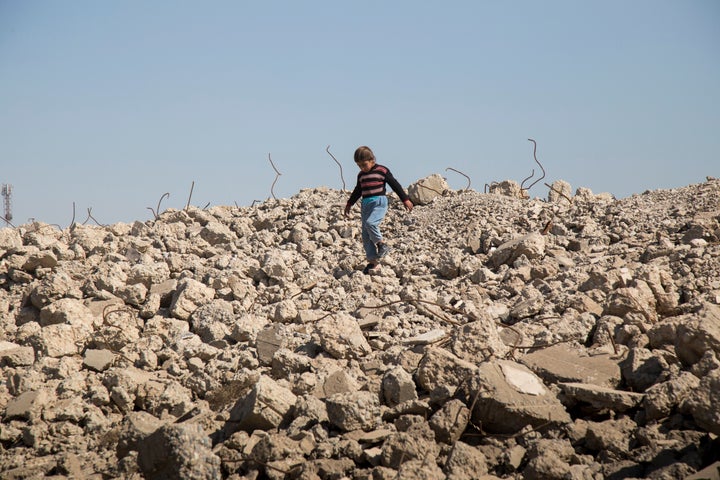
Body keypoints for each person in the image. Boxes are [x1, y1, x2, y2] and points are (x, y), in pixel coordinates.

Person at [344, 146, 413, 274]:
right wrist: (349, 204)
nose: (362, 168)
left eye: (364, 164)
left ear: (372, 160)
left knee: (371, 224)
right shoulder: (361, 175)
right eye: (359, 166)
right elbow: (357, 191)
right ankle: (373, 263)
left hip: (379, 202)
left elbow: (395, 184)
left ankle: (382, 244)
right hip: (365, 205)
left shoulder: (382, 170)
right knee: (365, 235)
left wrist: (405, 199)